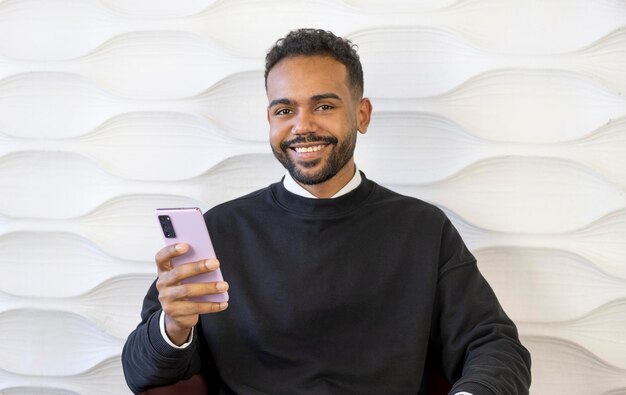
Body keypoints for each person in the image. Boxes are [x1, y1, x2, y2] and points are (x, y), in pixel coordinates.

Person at [122, 28, 531, 395]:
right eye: (285, 110)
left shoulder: (422, 228)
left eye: (323, 106)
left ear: (362, 114)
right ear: (270, 120)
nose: (302, 126)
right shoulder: (221, 230)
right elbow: (141, 373)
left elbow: (492, 344)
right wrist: (173, 327)